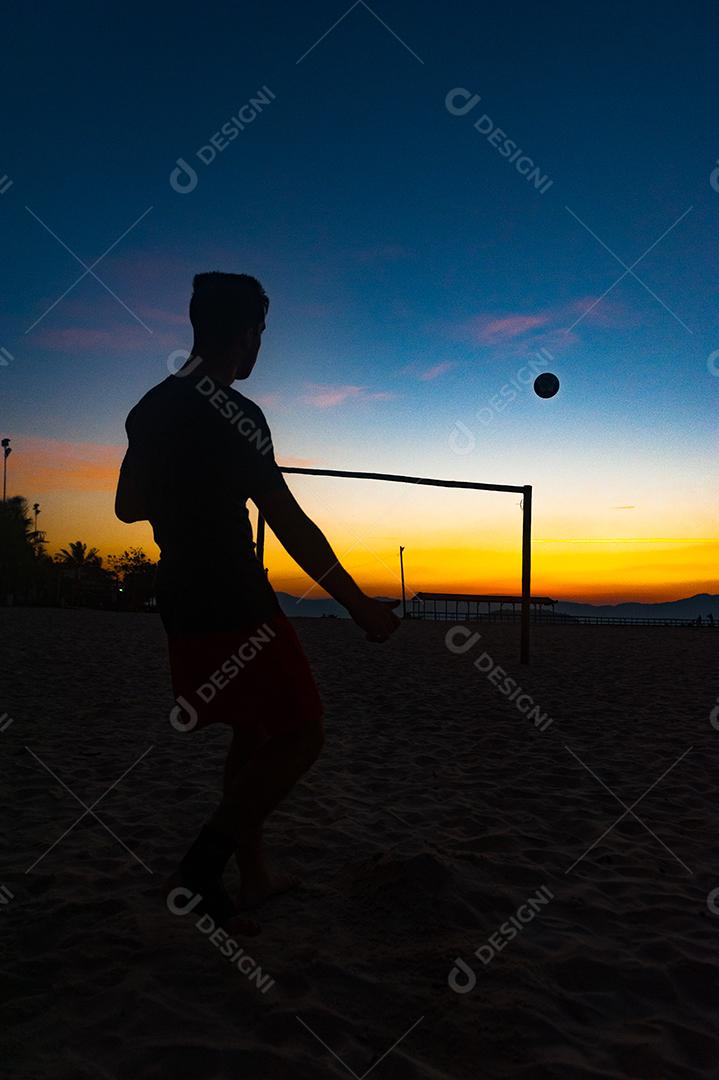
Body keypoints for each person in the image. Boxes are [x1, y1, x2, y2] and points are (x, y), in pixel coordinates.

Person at [115, 271, 400, 933]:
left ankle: (253, 877)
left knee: (251, 729)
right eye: (261, 333)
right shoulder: (239, 414)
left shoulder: (149, 408)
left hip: (179, 596)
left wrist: (179, 486)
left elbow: (128, 508)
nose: (259, 346)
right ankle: (200, 865)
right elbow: (290, 524)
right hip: (236, 598)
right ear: (245, 334)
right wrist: (358, 606)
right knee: (302, 735)